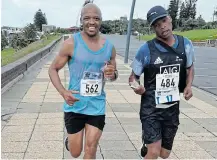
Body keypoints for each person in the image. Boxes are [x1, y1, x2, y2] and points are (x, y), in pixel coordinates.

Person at [48, 3, 118, 159]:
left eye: (96, 18)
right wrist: (63, 92)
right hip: (75, 105)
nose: (91, 22)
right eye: (87, 18)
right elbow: (52, 69)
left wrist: (112, 73)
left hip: (97, 105)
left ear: (101, 21)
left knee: (91, 148)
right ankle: (71, 141)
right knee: (75, 152)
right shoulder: (71, 43)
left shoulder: (109, 47)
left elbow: (113, 75)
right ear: (81, 20)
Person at [129, 5, 195, 159]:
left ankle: (147, 143)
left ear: (170, 19)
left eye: (164, 21)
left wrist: (188, 85)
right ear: (153, 28)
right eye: (157, 25)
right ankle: (149, 144)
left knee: (164, 154)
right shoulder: (146, 49)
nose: (162, 26)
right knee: (154, 151)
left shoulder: (186, 44)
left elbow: (190, 67)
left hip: (171, 107)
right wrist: (136, 87)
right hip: (150, 107)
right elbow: (133, 77)